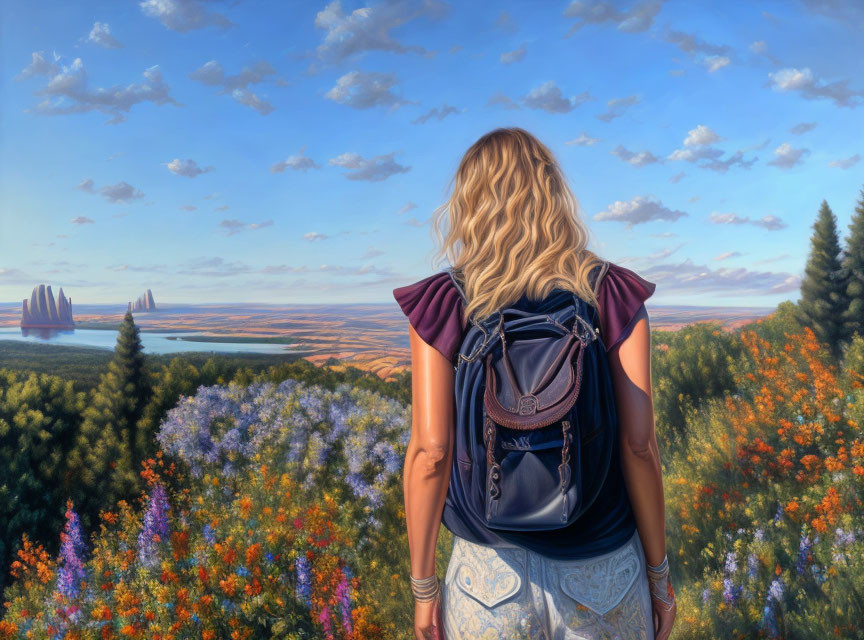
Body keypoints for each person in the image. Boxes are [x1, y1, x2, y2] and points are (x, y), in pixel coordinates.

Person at [395, 127, 676, 640]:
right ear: (552, 194)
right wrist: (658, 577)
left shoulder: (445, 303)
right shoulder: (611, 293)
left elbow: (430, 453)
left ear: (469, 202)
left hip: (487, 578)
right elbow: (639, 447)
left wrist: (424, 592)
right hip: (604, 570)